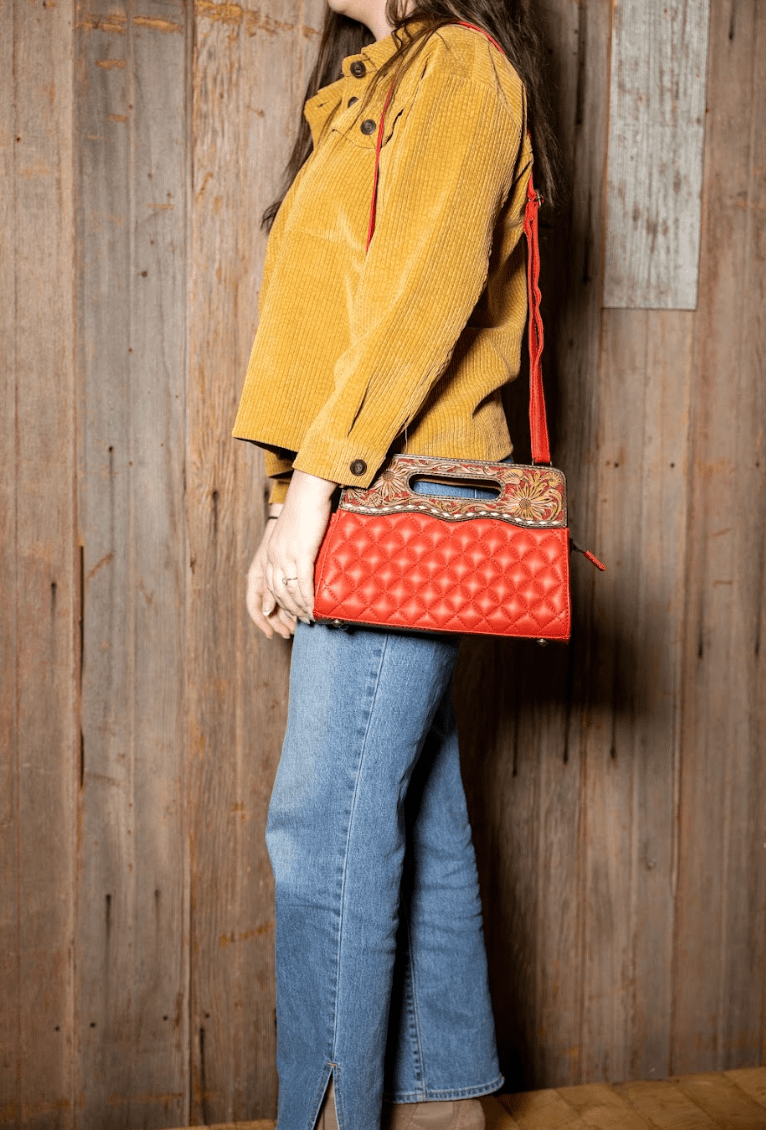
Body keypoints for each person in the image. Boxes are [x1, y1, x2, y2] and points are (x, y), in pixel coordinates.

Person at [232, 3, 557, 1128]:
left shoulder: (460, 69)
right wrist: (286, 502)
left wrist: (313, 496)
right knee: (413, 811)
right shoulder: (367, 89)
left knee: (322, 826)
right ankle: (440, 1103)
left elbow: (417, 302)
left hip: (394, 495)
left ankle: (329, 1115)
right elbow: (331, 323)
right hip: (363, 492)